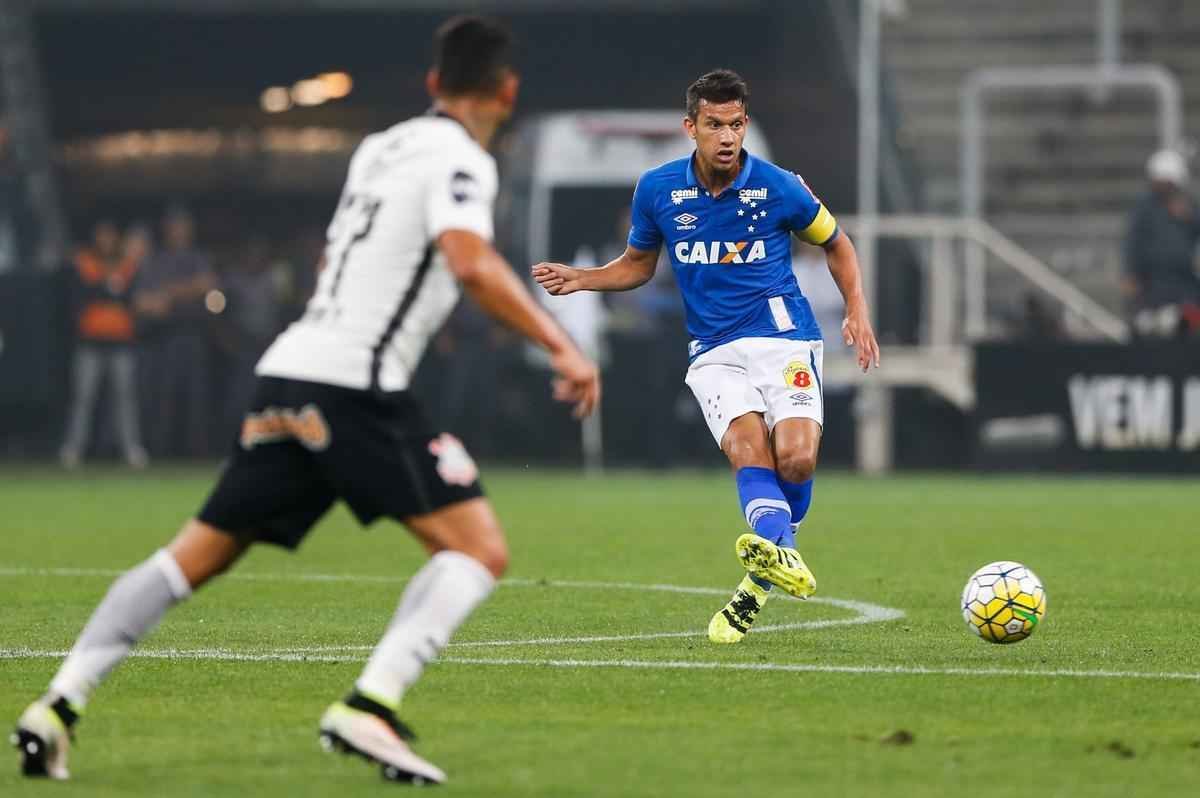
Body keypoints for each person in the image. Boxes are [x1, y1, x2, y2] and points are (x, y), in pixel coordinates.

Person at [13, 16, 599, 786]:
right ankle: (371, 705)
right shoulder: (463, 159)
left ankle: (56, 705)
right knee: (477, 549)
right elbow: (470, 260)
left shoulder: (378, 148)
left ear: (431, 84)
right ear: (508, 91)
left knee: (193, 556)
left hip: (289, 370)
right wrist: (560, 345)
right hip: (355, 384)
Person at [534, 69, 879, 644]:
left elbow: (837, 243)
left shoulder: (779, 187)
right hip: (714, 350)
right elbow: (639, 266)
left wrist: (857, 308)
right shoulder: (657, 189)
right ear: (690, 127)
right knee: (749, 452)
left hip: (784, 338)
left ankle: (758, 582)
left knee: (795, 460)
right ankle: (780, 557)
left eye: (736, 125)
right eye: (714, 125)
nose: (727, 137)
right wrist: (582, 278)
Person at [58, 220, 149, 468]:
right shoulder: (84, 261)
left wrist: (107, 290)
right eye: (101, 235)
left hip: (121, 343)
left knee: (125, 399)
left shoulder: (127, 265)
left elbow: (130, 296)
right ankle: (73, 448)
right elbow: (80, 294)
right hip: (90, 342)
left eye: (110, 235)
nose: (105, 240)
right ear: (94, 237)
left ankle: (132, 449)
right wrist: (107, 289)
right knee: (83, 398)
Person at [134, 206, 218, 457]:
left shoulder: (197, 258)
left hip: (194, 336)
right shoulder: (157, 260)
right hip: (165, 339)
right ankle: (161, 454)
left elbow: (210, 287)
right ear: (167, 229)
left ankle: (197, 455)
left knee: (197, 400)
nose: (179, 231)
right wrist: (184, 292)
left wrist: (170, 293)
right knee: (164, 400)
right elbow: (144, 302)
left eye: (183, 225)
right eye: (174, 226)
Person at [1123, 149, 1200, 338]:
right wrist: (1131, 273)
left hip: (1183, 285)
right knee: (1145, 327)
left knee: (1186, 323)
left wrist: (1190, 218)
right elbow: (1133, 242)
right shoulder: (1144, 208)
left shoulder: (1189, 207)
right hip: (1151, 285)